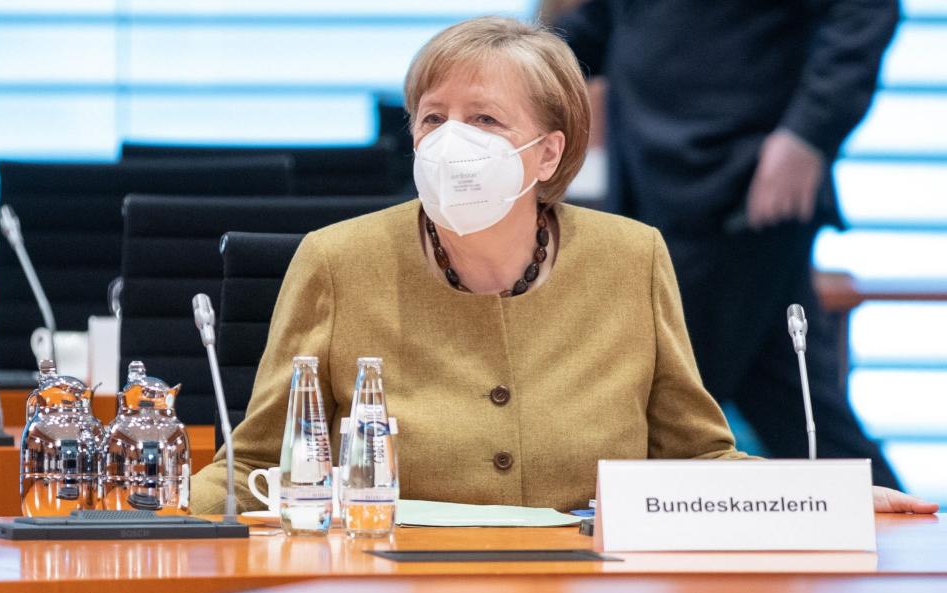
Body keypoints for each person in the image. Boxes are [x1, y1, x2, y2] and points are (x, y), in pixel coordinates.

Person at [191, 17, 934, 515]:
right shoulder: (336, 260)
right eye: (432, 117)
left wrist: (826, 497)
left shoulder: (631, 258)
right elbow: (258, 465)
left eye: (484, 119)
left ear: (547, 153)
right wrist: (132, 524)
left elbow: (694, 456)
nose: (452, 140)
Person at [554, 1, 903, 488]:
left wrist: (808, 134)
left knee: (663, 408)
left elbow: (863, 13)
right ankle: (901, 532)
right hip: (649, 181)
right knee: (791, 398)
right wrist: (505, 66)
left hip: (740, 183)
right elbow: (595, 26)